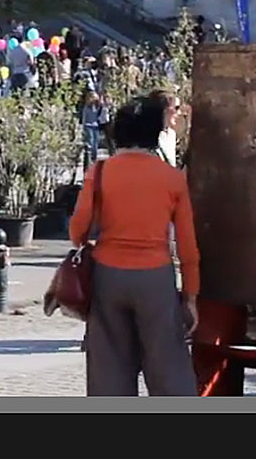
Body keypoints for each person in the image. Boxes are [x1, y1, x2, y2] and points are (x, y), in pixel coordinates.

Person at [69, 98, 200, 397]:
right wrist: (190, 297)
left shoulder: (100, 172)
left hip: (107, 278)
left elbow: (77, 232)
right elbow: (187, 246)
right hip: (156, 279)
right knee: (169, 369)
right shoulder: (171, 178)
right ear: (155, 133)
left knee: (109, 372)